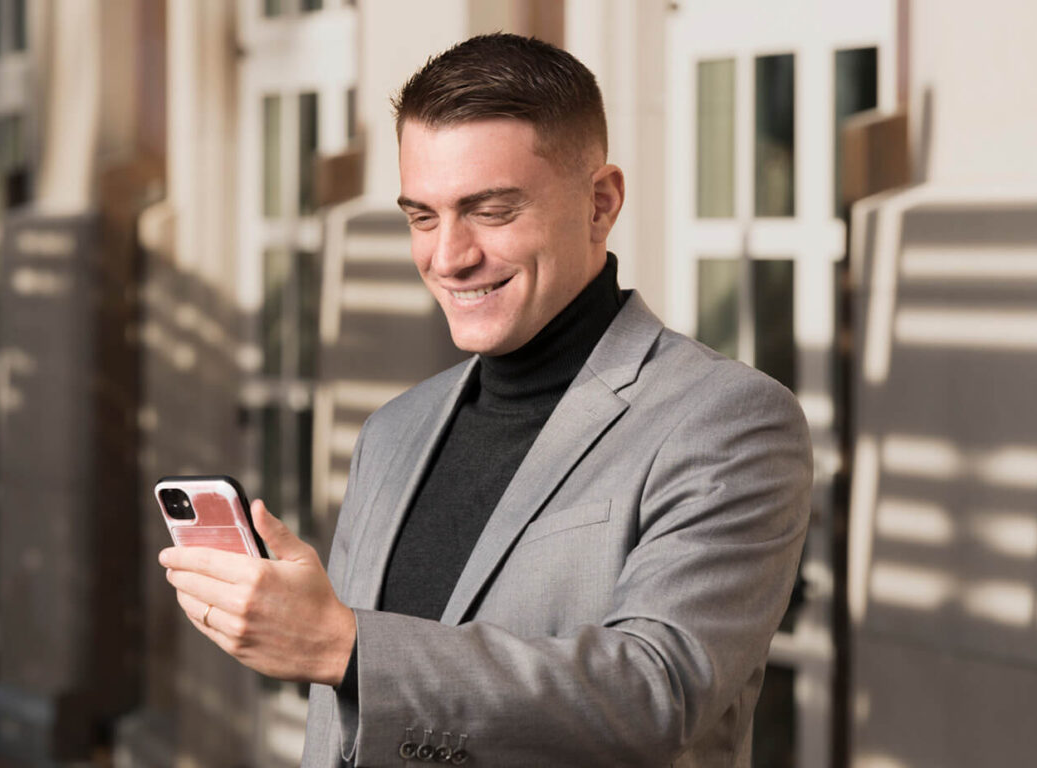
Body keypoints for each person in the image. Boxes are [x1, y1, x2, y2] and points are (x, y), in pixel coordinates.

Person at [159, 33, 811, 767]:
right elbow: (338, 728)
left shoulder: (728, 419)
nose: (448, 257)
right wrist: (333, 649)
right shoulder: (393, 432)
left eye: (491, 211)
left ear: (600, 203)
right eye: (423, 216)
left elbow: (657, 692)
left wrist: (343, 645)